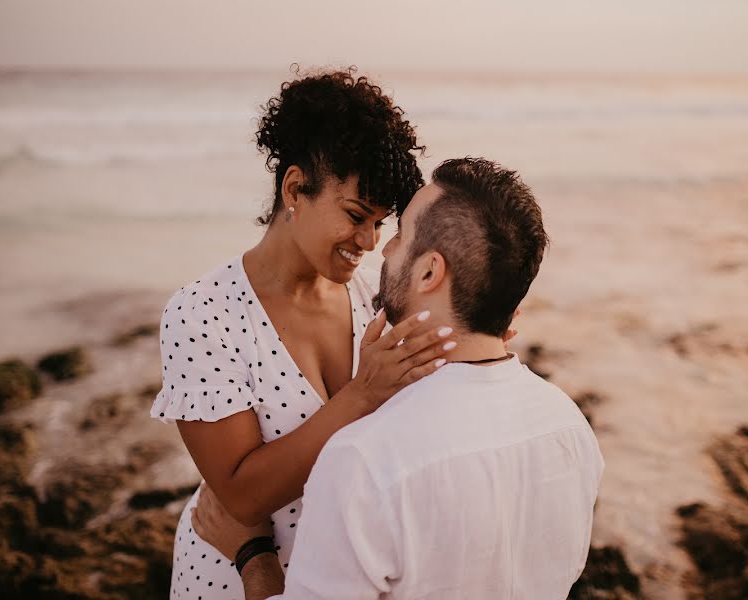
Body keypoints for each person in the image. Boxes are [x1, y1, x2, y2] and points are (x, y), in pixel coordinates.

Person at [192, 158, 605, 599]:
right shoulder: (570, 428)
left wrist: (254, 558)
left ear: (429, 272)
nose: (381, 249)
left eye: (400, 233)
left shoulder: (364, 462)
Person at [149, 69, 469, 599]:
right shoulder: (202, 313)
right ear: (295, 188)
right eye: (355, 215)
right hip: (235, 578)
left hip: (351, 578)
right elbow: (243, 496)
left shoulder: (375, 295)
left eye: (381, 222)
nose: (368, 241)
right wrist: (363, 394)